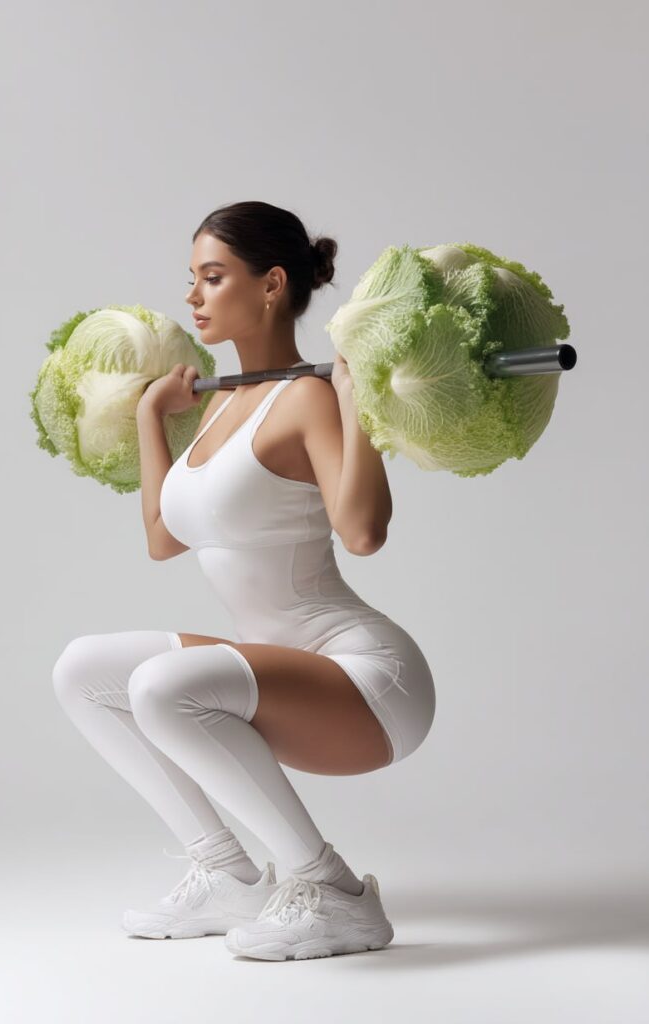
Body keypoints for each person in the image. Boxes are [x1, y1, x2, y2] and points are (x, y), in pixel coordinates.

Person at [52, 200, 436, 962]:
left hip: (364, 680)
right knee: (83, 670)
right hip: (275, 670)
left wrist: (356, 403)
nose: (193, 297)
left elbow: (362, 532)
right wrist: (151, 423)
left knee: (164, 686)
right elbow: (165, 538)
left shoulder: (307, 396)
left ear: (271, 285)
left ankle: (334, 893)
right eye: (191, 280)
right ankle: (229, 875)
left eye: (212, 277)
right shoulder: (220, 405)